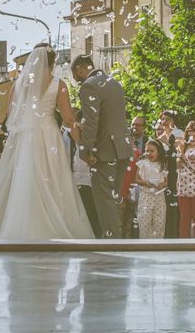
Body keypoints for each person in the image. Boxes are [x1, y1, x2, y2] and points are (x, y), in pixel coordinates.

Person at [0, 44, 94, 239]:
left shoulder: (18, 84)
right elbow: (69, 119)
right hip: (48, 137)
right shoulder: (58, 84)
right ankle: (51, 226)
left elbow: (10, 115)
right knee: (53, 179)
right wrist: (82, 144)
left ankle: (22, 226)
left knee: (24, 180)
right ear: (53, 63)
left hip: (24, 139)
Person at [72, 54, 132, 239]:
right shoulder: (114, 83)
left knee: (104, 200)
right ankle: (116, 237)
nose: (77, 80)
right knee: (113, 199)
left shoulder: (90, 85)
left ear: (80, 68)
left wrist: (84, 149)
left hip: (104, 151)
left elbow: (91, 121)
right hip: (122, 148)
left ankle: (111, 241)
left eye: (76, 76)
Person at [67, 110, 102, 238]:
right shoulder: (71, 138)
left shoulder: (97, 140)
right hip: (75, 179)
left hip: (91, 180)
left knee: (91, 210)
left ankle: (94, 235)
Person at [134, 139, 168, 239]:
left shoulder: (163, 164)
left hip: (159, 197)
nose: (149, 153)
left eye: (152, 151)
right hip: (146, 196)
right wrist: (146, 183)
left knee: (159, 223)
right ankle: (145, 246)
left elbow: (167, 181)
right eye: (147, 151)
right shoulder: (142, 163)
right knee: (144, 222)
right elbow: (136, 179)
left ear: (159, 152)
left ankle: (158, 246)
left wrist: (162, 184)